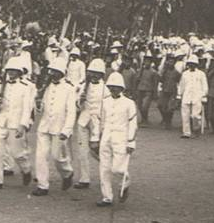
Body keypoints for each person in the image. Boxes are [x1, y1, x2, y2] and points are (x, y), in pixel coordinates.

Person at [33, 57, 77, 196]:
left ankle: (67, 173)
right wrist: (38, 104)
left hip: (60, 127)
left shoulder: (69, 88)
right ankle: (42, 185)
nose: (53, 74)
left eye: (56, 71)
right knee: (41, 156)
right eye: (51, 71)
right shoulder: (47, 86)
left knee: (57, 157)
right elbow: (42, 108)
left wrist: (67, 130)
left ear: (63, 73)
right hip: (45, 126)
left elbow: (71, 111)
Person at [0, 55, 34, 189]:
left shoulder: (26, 87)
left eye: (14, 70)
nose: (11, 73)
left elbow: (27, 108)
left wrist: (23, 125)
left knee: (17, 153)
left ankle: (26, 169)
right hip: (2, 121)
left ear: (19, 72)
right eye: (9, 70)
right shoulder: (0, 86)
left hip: (16, 122)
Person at [94, 72, 138, 207]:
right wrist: (96, 137)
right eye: (111, 87)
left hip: (121, 138)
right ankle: (107, 197)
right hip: (106, 137)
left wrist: (131, 141)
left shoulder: (129, 103)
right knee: (104, 168)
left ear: (122, 88)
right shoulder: (104, 102)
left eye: (116, 87)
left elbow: (133, 123)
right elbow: (98, 121)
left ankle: (125, 182)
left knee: (117, 169)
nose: (113, 89)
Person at [72, 58, 107, 191]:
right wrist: (79, 101)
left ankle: (109, 171)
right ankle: (84, 178)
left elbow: (107, 109)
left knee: (97, 152)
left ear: (102, 75)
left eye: (97, 73)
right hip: (83, 120)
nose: (94, 75)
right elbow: (76, 105)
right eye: (92, 72)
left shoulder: (106, 89)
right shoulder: (83, 87)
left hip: (97, 123)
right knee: (82, 151)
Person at [177, 56, 208, 139]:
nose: (191, 65)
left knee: (195, 115)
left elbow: (204, 86)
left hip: (197, 96)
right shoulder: (185, 74)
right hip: (186, 96)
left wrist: (204, 95)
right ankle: (186, 132)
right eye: (190, 64)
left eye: (193, 64)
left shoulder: (201, 74)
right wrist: (179, 94)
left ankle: (196, 129)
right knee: (185, 115)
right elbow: (181, 85)